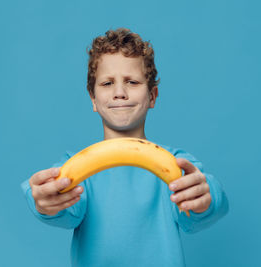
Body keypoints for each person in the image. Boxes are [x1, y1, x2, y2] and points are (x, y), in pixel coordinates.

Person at [21, 28, 229, 266]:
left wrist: (205, 198)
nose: (119, 93)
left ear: (152, 96)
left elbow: (206, 204)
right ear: (93, 99)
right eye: (108, 83)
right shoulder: (78, 167)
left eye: (132, 82)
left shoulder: (175, 162)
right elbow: (61, 212)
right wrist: (43, 201)